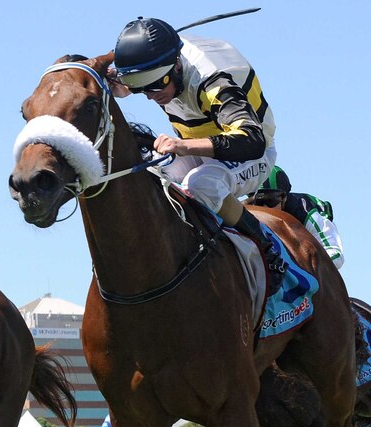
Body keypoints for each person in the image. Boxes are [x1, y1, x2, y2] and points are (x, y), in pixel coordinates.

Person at [110, 17, 286, 293]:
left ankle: (265, 247)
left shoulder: (212, 82)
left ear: (177, 67)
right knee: (149, 178)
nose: (149, 96)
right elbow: (130, 79)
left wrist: (183, 147)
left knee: (201, 185)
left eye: (155, 86)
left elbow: (252, 141)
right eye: (141, 87)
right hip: (204, 147)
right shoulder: (160, 66)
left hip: (251, 153)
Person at [247, 167, 344, 269]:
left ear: (284, 198)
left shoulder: (305, 211)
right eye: (258, 201)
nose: (265, 208)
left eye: (271, 200)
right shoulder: (246, 209)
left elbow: (336, 256)